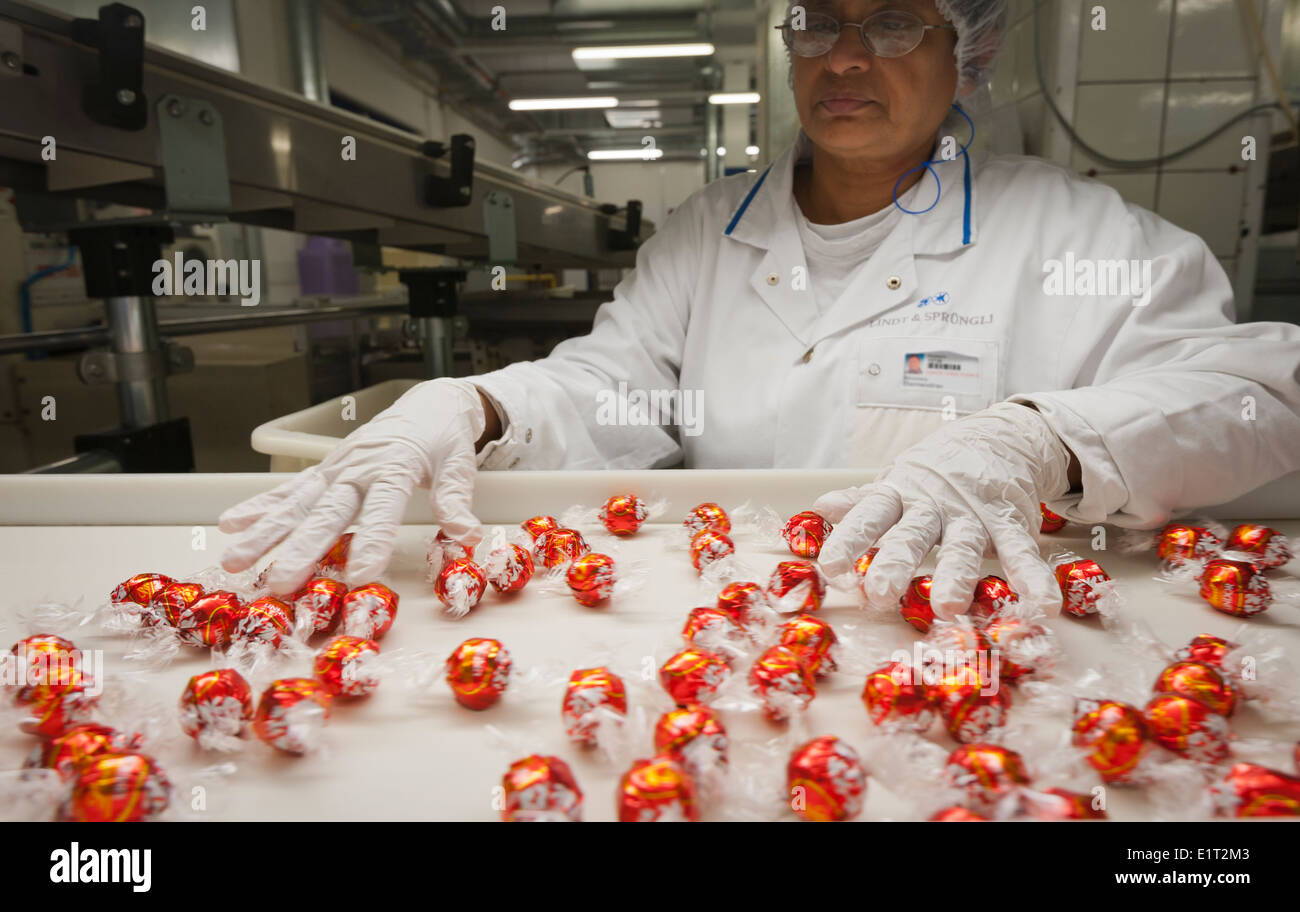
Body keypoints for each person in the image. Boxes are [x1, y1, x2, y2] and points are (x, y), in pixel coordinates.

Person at [219, 0, 1300, 621]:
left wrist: (1043, 441)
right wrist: (475, 406)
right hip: (733, 621)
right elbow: (614, 387)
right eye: (817, 21)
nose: (843, 56)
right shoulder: (705, 229)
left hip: (969, 626)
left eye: (890, 22)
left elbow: (1260, 392)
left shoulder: (1075, 236)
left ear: (965, 49)